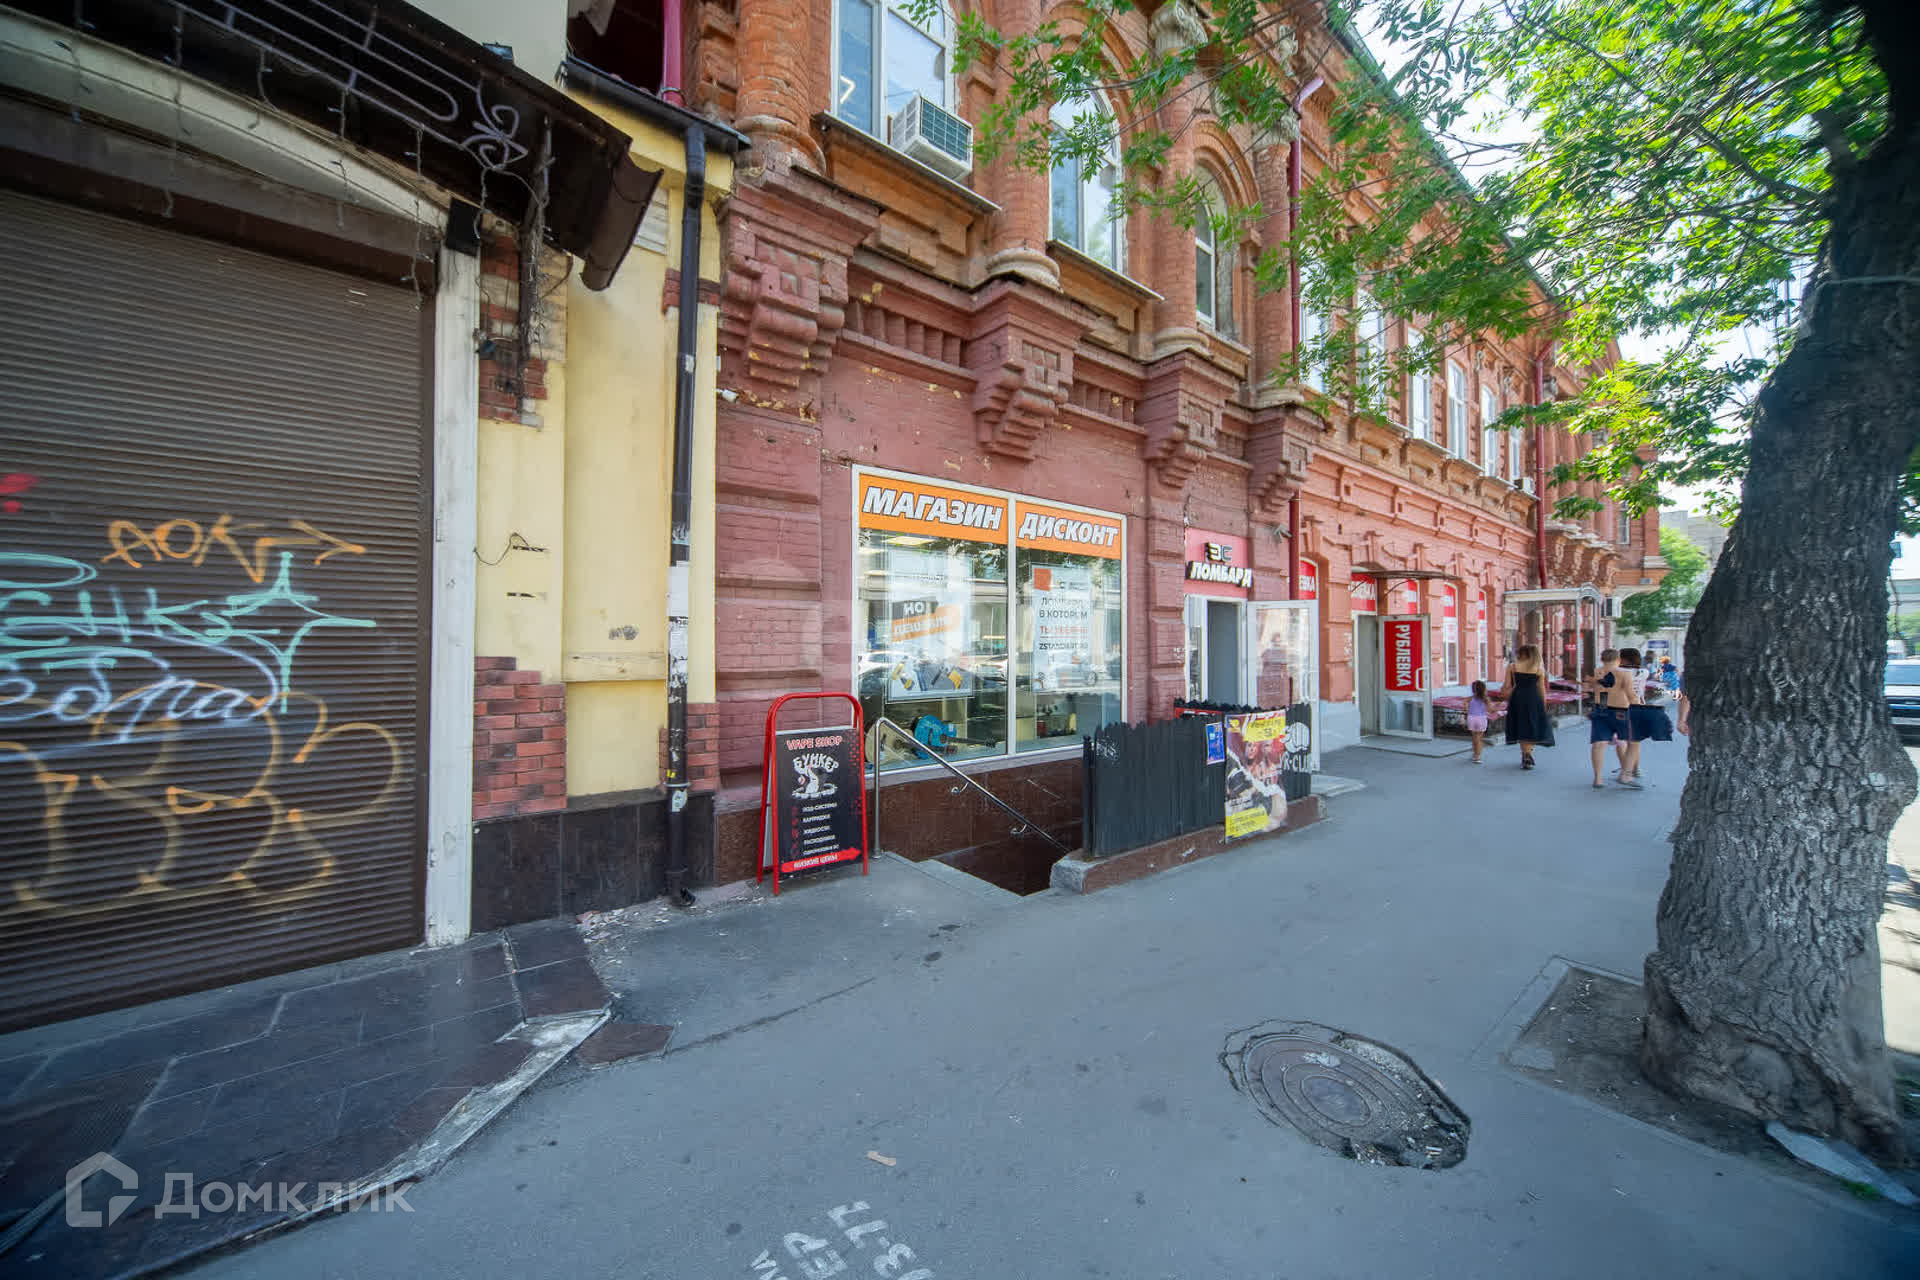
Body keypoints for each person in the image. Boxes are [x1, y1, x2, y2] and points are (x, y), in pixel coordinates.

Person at [1498, 644, 1554, 769]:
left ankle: (1526, 754)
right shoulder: (1539, 669)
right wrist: (1544, 704)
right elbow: (1542, 689)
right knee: (1532, 725)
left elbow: (1506, 686)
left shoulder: (1512, 666)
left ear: (1521, 654)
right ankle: (1528, 754)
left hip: (1518, 698)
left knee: (1521, 724)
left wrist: (1504, 692)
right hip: (1534, 698)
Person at [1587, 649, 1631, 789]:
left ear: (1602, 659)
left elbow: (1600, 692)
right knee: (1622, 742)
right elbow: (1630, 693)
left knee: (1599, 743)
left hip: (1602, 708)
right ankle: (1625, 775)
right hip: (1621, 709)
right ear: (1618, 660)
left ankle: (1598, 779)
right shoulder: (1624, 673)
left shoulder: (1598, 672)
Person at [1466, 680, 1491, 764]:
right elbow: (1490, 710)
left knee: (1474, 737)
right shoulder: (1486, 699)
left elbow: (1466, 705)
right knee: (1480, 738)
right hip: (1481, 718)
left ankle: (1475, 754)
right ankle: (1478, 756)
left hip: (1471, 718)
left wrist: (1467, 710)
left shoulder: (1470, 698)